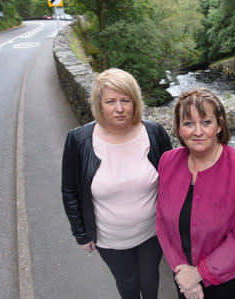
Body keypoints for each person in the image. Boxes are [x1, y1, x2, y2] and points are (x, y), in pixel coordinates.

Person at [61, 68, 172, 299]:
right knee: (128, 282)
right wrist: (80, 234)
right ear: (99, 105)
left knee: (151, 279)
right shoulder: (79, 140)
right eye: (111, 101)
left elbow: (172, 180)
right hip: (110, 239)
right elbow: (70, 190)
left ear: (135, 102)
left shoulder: (154, 133)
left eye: (125, 100)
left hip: (152, 233)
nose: (119, 108)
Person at [155, 88, 235, 299]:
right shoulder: (168, 161)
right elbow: (161, 222)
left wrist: (198, 274)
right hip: (183, 271)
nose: (198, 131)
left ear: (219, 125)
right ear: (178, 128)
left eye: (206, 122)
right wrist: (182, 272)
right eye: (188, 123)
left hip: (229, 278)